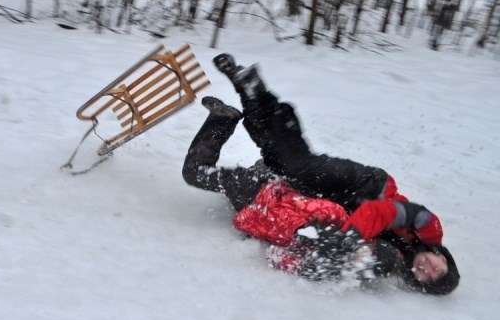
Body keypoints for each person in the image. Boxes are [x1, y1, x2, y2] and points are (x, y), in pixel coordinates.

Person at [181, 53, 460, 295]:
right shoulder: (430, 229)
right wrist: (351, 236)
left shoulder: (396, 261)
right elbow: (384, 212)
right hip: (369, 187)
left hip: (338, 202)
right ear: (444, 258)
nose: (428, 269)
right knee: (301, 167)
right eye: (438, 269)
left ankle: (249, 90)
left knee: (278, 160)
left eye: (427, 278)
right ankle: (256, 91)